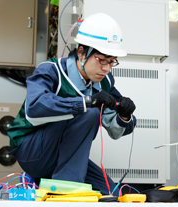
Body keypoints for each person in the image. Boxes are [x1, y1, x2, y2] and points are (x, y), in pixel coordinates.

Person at [7, 13, 136, 195]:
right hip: (32, 152)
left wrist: (124, 116)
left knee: (111, 193)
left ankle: (58, 183)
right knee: (89, 112)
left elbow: (114, 129)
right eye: (101, 60)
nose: (106, 68)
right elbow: (35, 107)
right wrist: (86, 102)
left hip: (65, 154)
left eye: (112, 61)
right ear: (82, 53)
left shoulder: (104, 82)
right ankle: (66, 194)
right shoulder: (51, 70)